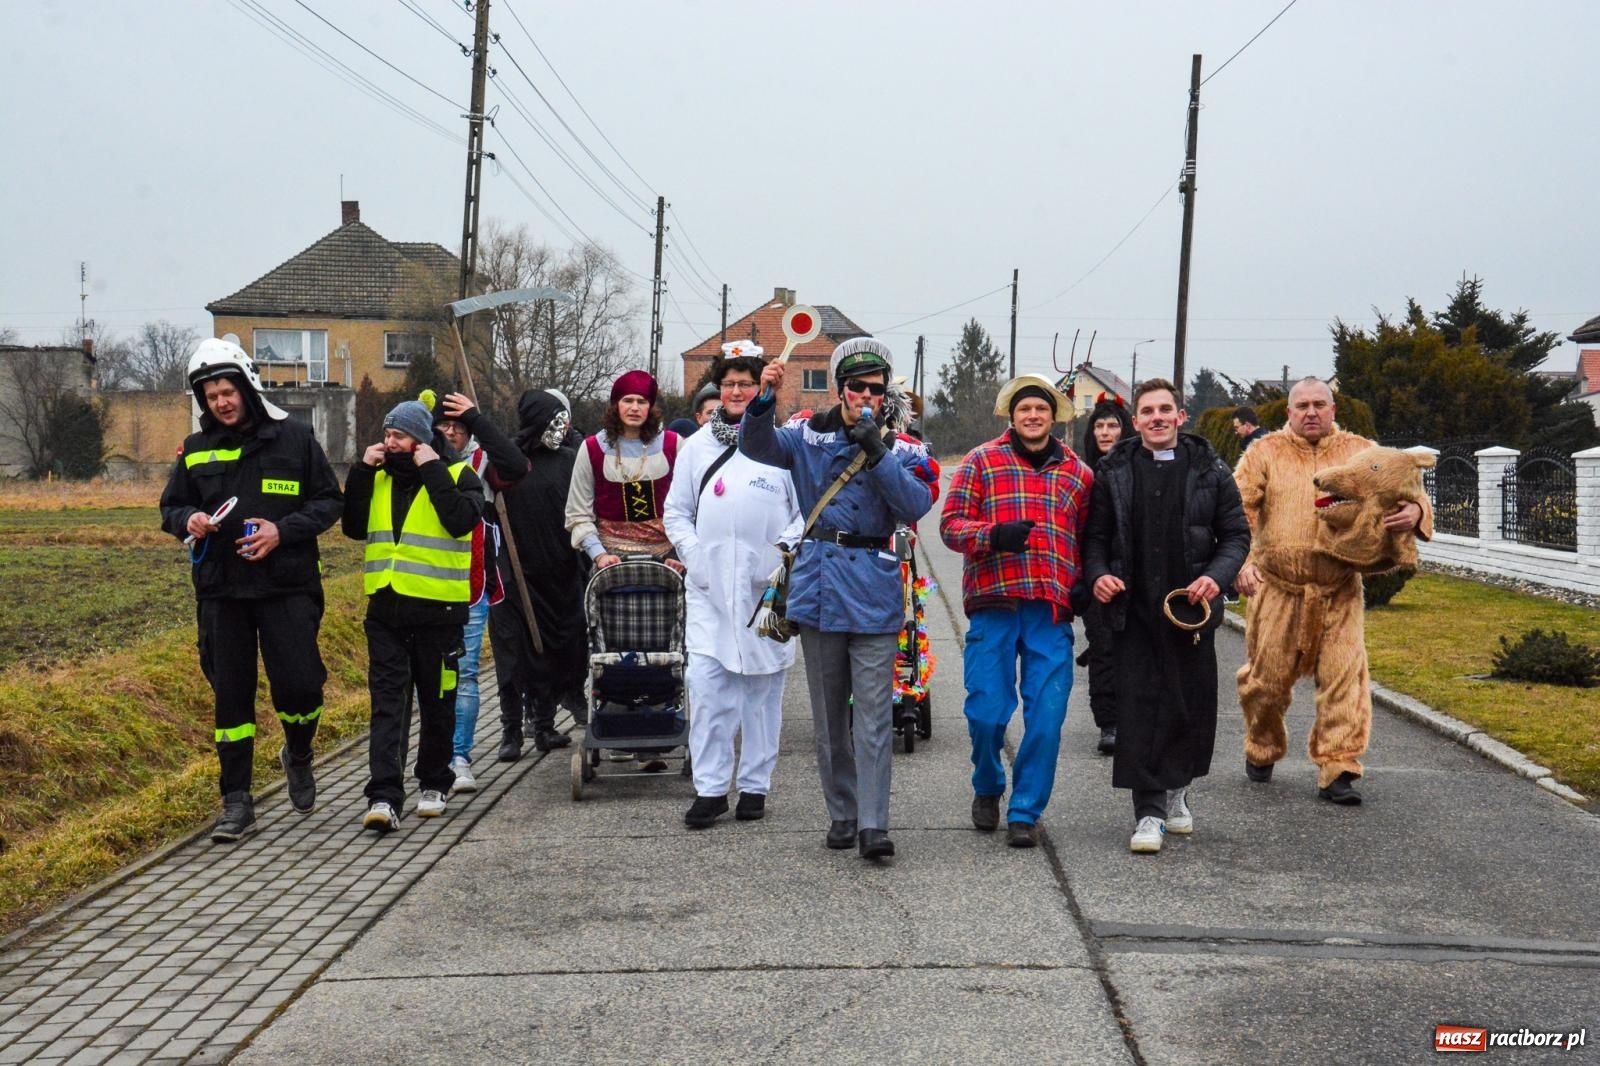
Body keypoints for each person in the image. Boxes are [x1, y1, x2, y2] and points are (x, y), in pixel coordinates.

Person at [741, 337, 938, 862]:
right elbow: (755, 448)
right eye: (857, 387)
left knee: (873, 717)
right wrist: (763, 397)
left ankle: (875, 823)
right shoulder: (806, 437)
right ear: (840, 388)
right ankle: (843, 813)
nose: (866, 397)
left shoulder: (899, 448)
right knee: (830, 719)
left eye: (875, 389)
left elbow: (915, 503)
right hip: (821, 586)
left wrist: (877, 451)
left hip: (872, 590)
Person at [159, 338, 343, 844]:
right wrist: (188, 520)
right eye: (210, 394)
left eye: (226, 390)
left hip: (287, 587)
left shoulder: (296, 438)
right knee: (230, 701)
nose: (220, 401)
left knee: (302, 687)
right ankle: (236, 801)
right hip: (222, 593)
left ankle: (299, 752)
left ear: (245, 386)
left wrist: (282, 531)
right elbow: (170, 508)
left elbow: (330, 502)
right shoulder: (195, 451)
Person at [1233, 378, 1430, 805]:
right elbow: (1239, 510)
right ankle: (1262, 743)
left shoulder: (1362, 451)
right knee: (1267, 683)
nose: (1311, 412)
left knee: (1345, 678)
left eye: (1319, 404)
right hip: (1278, 589)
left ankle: (1339, 765)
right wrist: (1242, 562)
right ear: (1288, 413)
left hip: (1340, 588)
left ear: (1333, 409)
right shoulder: (1263, 453)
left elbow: (1405, 484)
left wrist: (1416, 511)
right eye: (1301, 405)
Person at [1084, 379, 1250, 854]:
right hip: (1132, 613)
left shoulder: (1210, 469)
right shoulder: (1114, 471)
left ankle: (1177, 794)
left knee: (1186, 708)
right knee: (1138, 711)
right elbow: (1094, 539)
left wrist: (1217, 577)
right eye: (1147, 411)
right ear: (1135, 423)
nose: (1156, 418)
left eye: (1165, 410)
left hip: (1189, 614)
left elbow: (1236, 534)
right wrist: (1098, 574)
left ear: (1181, 416)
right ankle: (1148, 813)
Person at [940, 374, 1092, 849]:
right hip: (995, 604)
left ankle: (1025, 810)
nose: (1032, 416)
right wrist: (992, 535)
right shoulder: (981, 461)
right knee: (987, 712)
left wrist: (1086, 581)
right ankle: (987, 784)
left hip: (1050, 611)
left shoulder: (1078, 473)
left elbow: (1089, 539)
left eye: (1041, 410)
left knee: (1046, 718)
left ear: (1054, 417)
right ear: (1012, 415)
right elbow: (949, 526)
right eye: (1024, 409)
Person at [664, 343, 803, 828]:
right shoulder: (697, 447)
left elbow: (804, 512)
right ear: (718, 390)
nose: (738, 391)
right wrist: (697, 559)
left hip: (765, 594)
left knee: (762, 696)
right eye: (730, 384)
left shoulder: (782, 446)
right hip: (709, 591)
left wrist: (784, 555)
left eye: (748, 383)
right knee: (707, 690)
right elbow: (677, 513)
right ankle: (709, 788)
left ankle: (755, 787)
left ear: (762, 387)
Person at [344, 400, 485, 832]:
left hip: (438, 614)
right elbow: (352, 525)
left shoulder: (459, 475)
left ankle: (434, 782)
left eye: (399, 436)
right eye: (387, 435)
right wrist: (361, 471)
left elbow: (462, 521)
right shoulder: (381, 477)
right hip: (386, 610)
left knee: (437, 701)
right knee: (388, 705)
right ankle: (384, 796)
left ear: (421, 440)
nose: (390, 443)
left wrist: (432, 469)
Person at [431, 391, 531, 791]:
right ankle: (429, 758)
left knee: (467, 675)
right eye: (444, 425)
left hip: (471, 586)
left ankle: (460, 757)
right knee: (432, 679)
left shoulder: (479, 460)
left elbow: (516, 465)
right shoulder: (418, 461)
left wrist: (479, 416)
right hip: (423, 588)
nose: (452, 432)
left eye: (460, 426)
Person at [491, 389, 586, 761]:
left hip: (560, 574)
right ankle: (511, 731)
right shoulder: (508, 463)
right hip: (514, 575)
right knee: (515, 658)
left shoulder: (570, 460)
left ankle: (545, 727)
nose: (561, 426)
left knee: (552, 651)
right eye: (554, 418)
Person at [565, 370, 684, 569]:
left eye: (642, 401)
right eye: (628, 400)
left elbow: (689, 507)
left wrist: (679, 553)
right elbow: (578, 513)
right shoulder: (592, 448)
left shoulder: (674, 445)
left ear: (651, 406)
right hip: (610, 561)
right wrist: (599, 555)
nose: (634, 408)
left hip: (667, 560)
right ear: (616, 405)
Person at [1076, 392, 1134, 755]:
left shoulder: (1136, 469)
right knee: (1103, 649)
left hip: (1134, 572)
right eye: (1099, 425)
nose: (1105, 431)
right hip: (1095, 573)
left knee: (1135, 650)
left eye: (1112, 425)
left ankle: (1136, 718)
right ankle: (1109, 722)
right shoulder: (1084, 472)